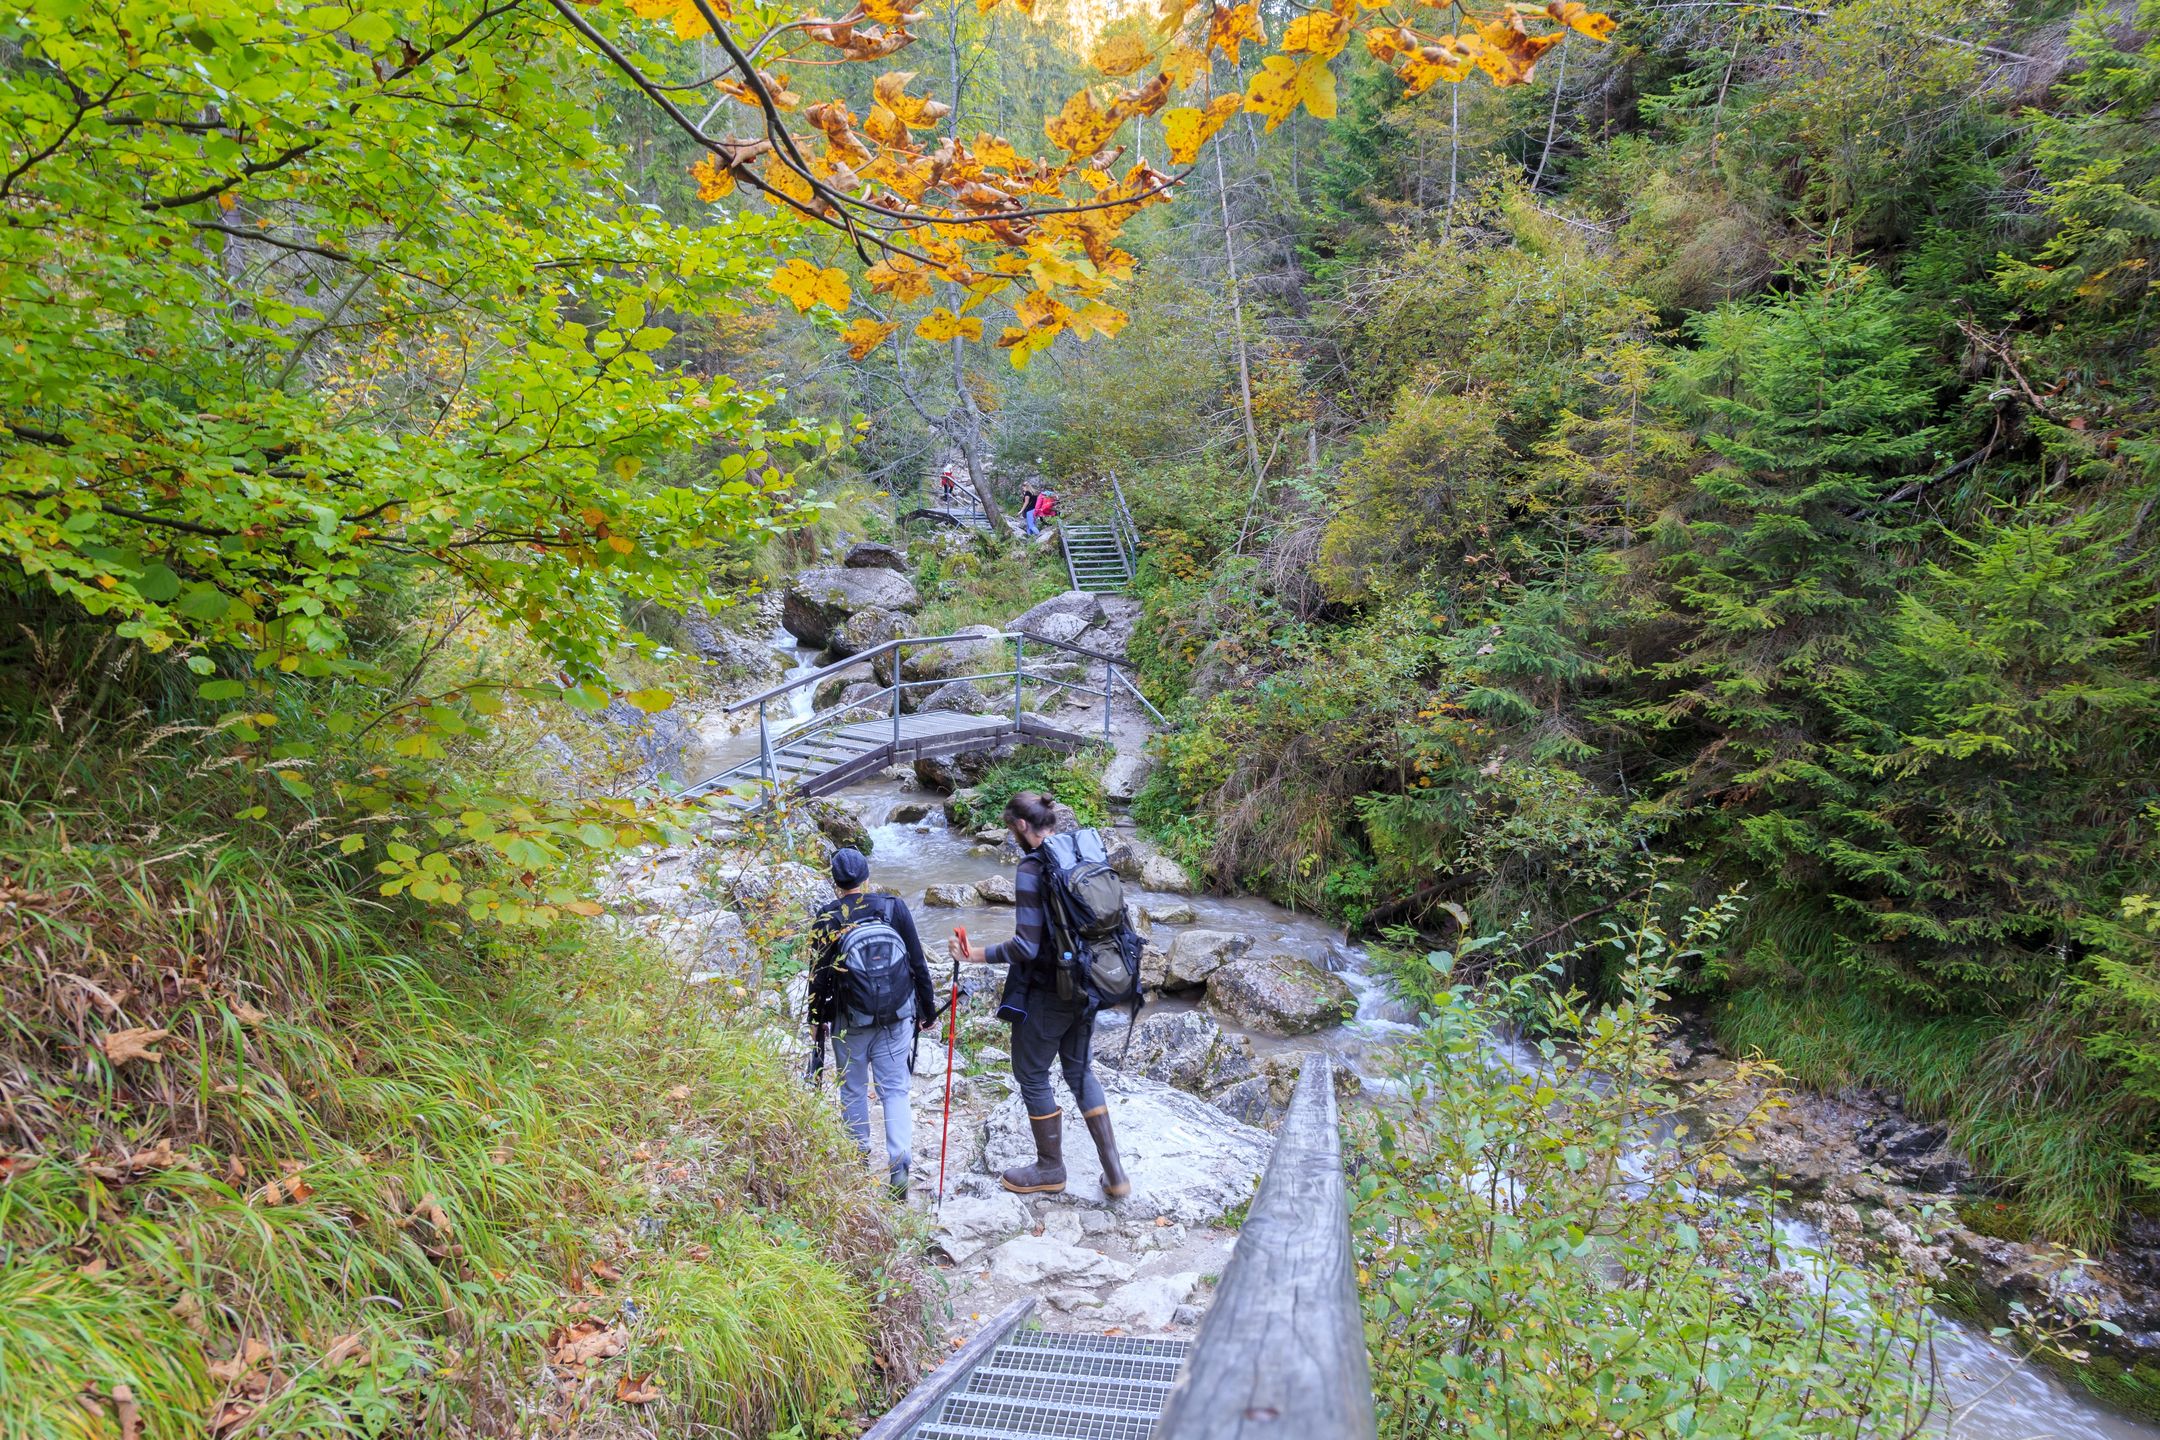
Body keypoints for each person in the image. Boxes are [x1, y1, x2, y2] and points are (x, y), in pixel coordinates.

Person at [950, 792, 1131, 1198]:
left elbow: (1025, 948)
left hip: (1050, 992)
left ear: (1019, 826)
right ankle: (1115, 1174)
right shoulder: (1083, 853)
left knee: (1032, 1074)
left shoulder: (1034, 868)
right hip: (1092, 983)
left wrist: (974, 954)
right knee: (1080, 1071)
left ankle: (1050, 1167)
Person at [808, 846, 938, 1197]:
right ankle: (899, 1166)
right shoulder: (893, 908)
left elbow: (818, 977)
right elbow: (917, 962)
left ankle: (858, 1157)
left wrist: (816, 1020)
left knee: (852, 1088)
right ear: (866, 877)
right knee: (894, 1090)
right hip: (898, 1015)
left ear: (835, 882)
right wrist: (926, 1010)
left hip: (848, 1020)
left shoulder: (827, 917)